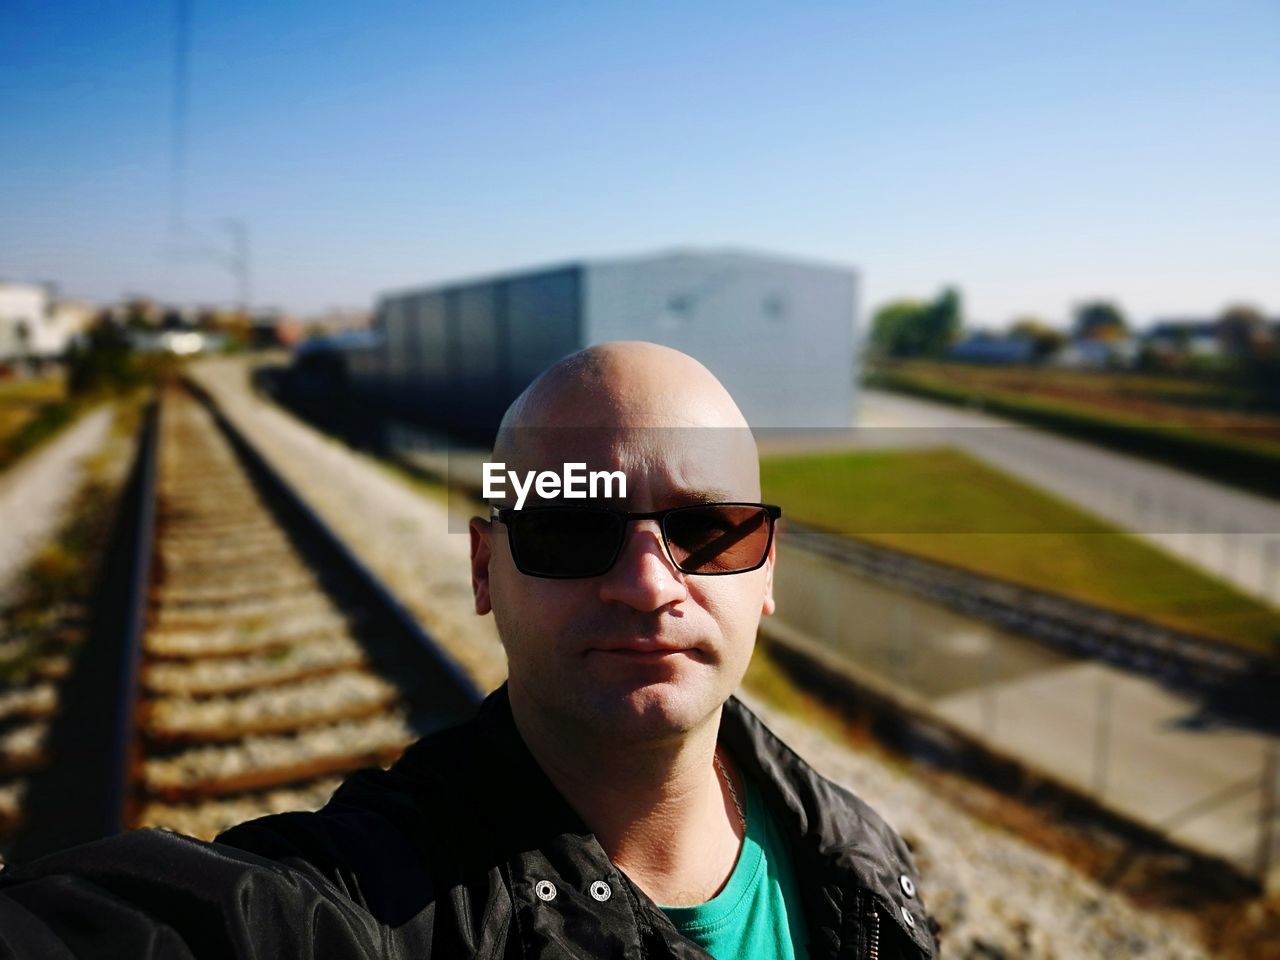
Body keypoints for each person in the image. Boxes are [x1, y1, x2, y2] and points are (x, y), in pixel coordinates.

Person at [0, 342, 935, 959]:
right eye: (571, 531)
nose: (651, 584)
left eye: (709, 531)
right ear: (486, 571)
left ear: (766, 569)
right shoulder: (387, 901)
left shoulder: (859, 857)